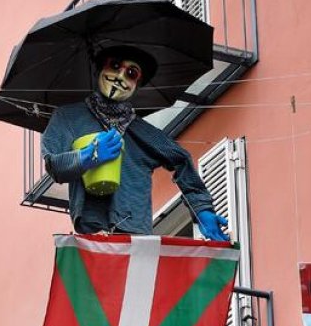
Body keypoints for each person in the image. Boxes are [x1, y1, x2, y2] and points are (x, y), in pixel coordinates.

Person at [41, 45, 229, 241]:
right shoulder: (69, 117)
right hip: (93, 234)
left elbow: (181, 159)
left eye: (131, 73)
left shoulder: (141, 131)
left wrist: (201, 208)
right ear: (99, 69)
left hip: (136, 235)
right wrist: (89, 156)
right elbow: (54, 165)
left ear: (137, 85)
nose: (120, 76)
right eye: (115, 66)